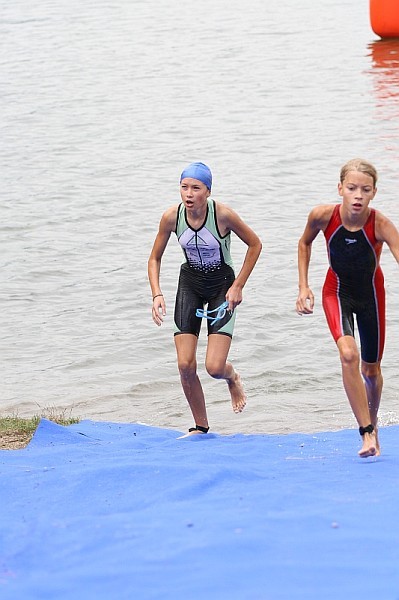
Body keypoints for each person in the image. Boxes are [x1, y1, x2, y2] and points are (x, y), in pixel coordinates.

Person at [148, 162, 262, 436]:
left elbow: (255, 244)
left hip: (222, 284)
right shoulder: (171, 218)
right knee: (185, 365)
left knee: (213, 367)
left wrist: (238, 286)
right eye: (184, 187)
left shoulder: (222, 215)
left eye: (195, 188)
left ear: (207, 191)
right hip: (190, 283)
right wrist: (156, 293)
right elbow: (154, 257)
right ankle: (201, 426)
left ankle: (232, 377)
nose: (188, 194)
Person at [296, 158, 399, 457]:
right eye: (351, 188)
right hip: (336, 292)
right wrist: (303, 286)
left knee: (371, 371)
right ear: (340, 188)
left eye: (365, 190)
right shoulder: (322, 216)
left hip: (371, 297)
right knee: (348, 354)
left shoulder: (379, 224)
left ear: (374, 193)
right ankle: (366, 433)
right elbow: (304, 244)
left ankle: (373, 422)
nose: (358, 195)